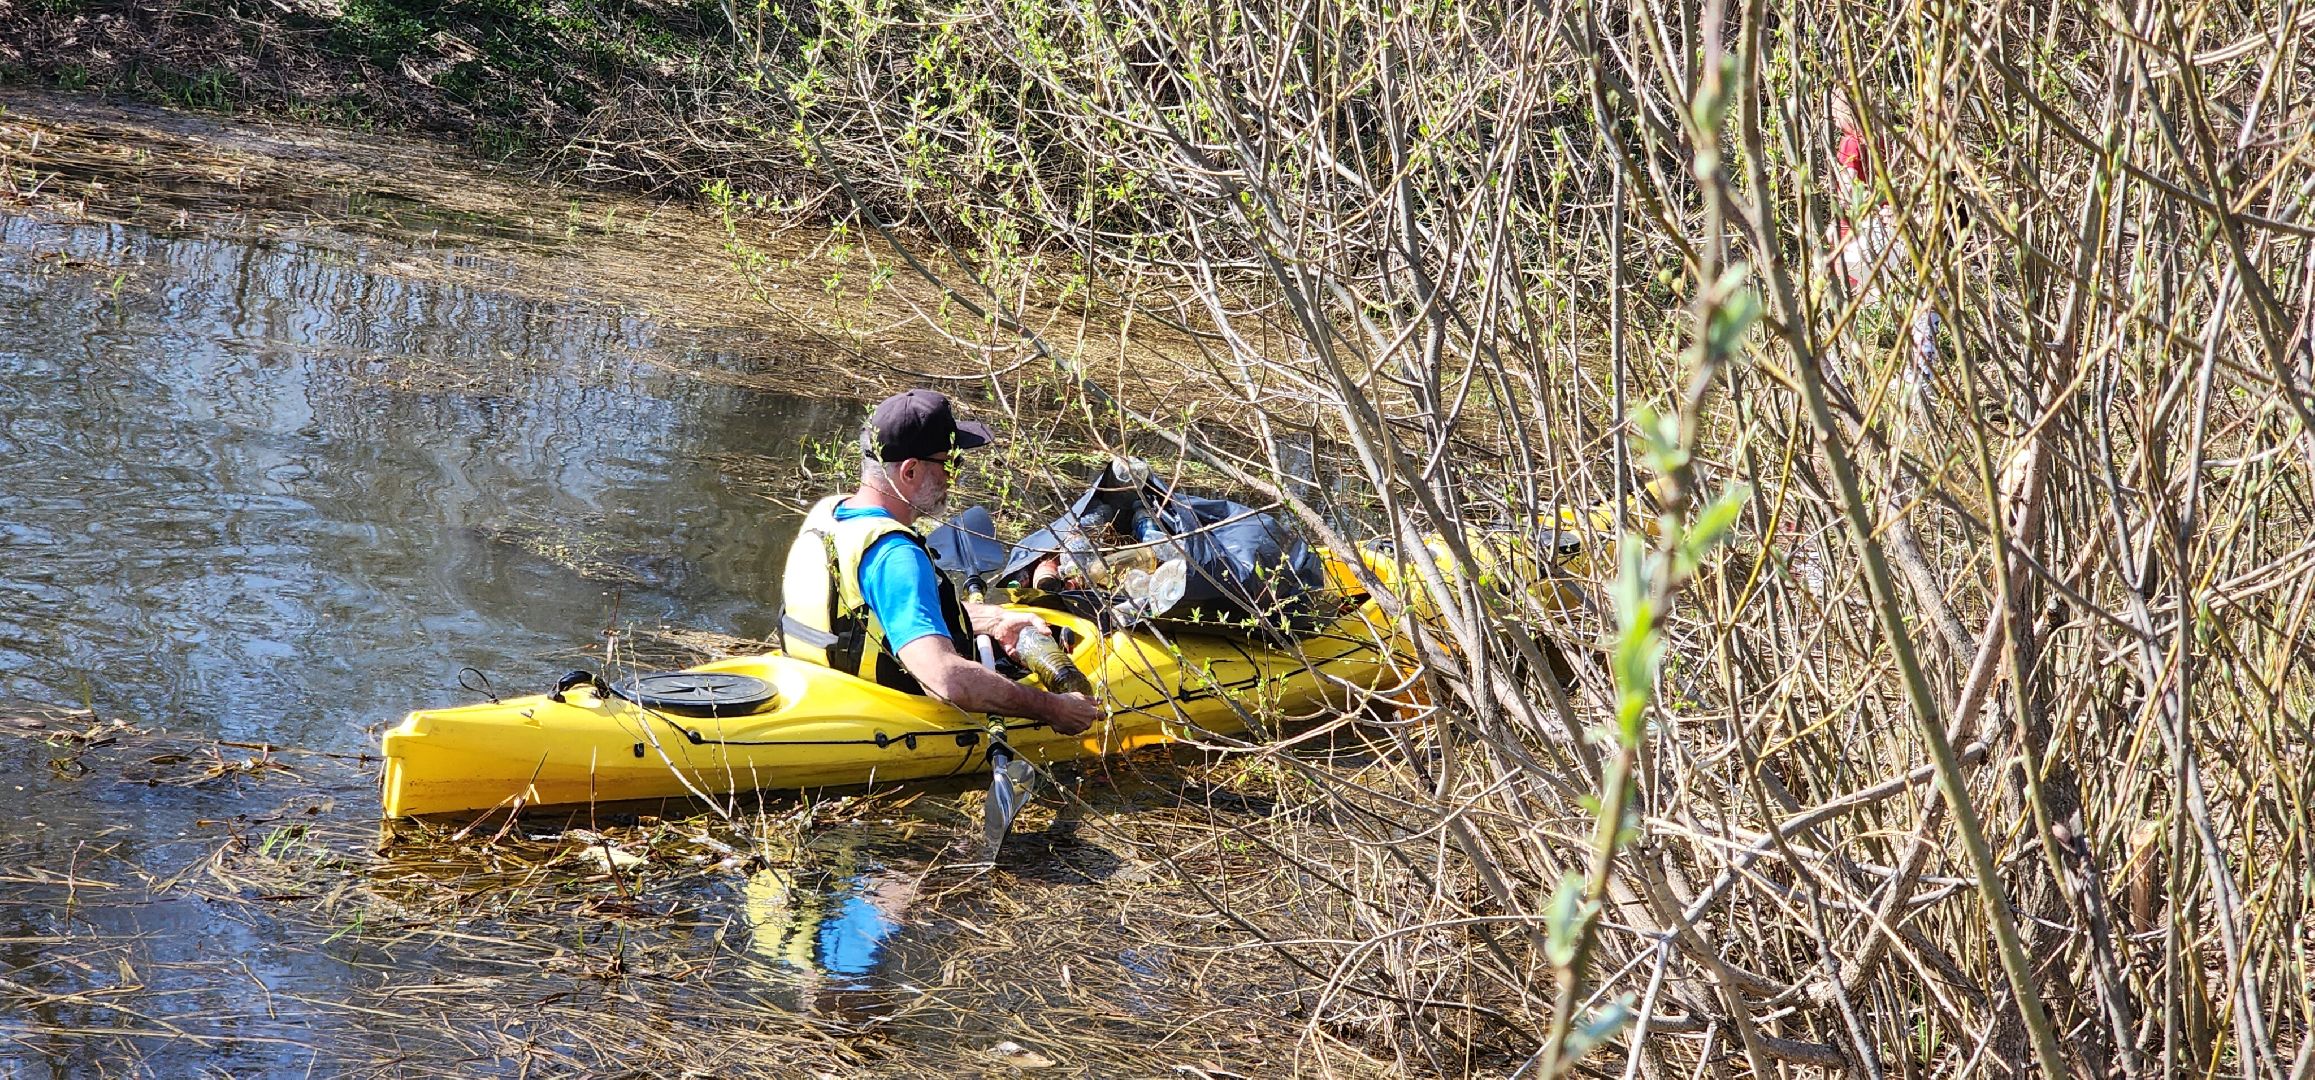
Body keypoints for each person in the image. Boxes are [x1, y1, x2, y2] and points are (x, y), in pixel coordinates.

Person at [780, 389, 1102, 736]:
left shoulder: (832, 513)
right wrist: (1053, 708)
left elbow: (878, 617)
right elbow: (945, 680)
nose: (954, 478)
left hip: (821, 683)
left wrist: (993, 620)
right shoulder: (896, 556)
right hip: (883, 722)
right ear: (910, 470)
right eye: (950, 464)